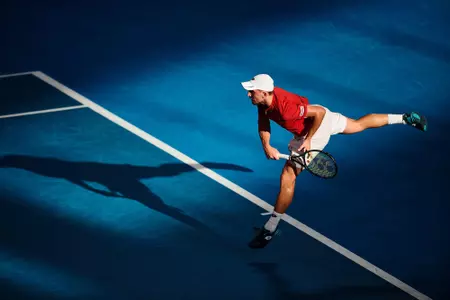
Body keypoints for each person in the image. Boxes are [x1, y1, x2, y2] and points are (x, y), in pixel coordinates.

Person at [241, 74, 427, 249]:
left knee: (288, 176)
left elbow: (319, 113)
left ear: (264, 92)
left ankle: (270, 229)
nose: (248, 94)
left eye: (252, 91)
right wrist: (267, 146)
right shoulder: (263, 101)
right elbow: (263, 122)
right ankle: (406, 118)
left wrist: (308, 140)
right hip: (322, 118)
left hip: (316, 127)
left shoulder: (285, 108)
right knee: (357, 125)